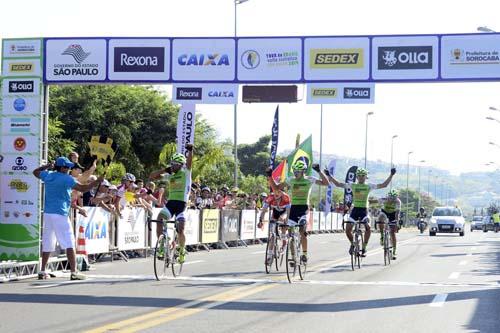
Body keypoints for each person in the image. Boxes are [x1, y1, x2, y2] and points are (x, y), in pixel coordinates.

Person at [33, 157, 103, 280]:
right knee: (70, 242)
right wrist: (97, 182)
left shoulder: (48, 175)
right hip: (60, 213)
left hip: (48, 213)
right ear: (62, 167)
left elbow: (35, 172)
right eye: (67, 167)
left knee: (48, 242)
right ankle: (74, 272)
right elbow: (83, 188)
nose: (69, 169)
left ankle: (42, 270)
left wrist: (47, 166)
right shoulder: (67, 178)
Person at [267, 161, 329, 264]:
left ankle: (304, 254)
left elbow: (326, 183)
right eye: (295, 171)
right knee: (291, 234)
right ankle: (294, 257)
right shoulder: (291, 180)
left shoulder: (309, 179)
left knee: (302, 231)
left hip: (304, 208)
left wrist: (319, 171)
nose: (296, 173)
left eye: (298, 171)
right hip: (293, 209)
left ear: (303, 171)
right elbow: (276, 188)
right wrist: (270, 176)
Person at [325, 167, 396, 257]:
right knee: (347, 230)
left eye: (363, 176)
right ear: (357, 177)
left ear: (366, 177)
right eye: (359, 176)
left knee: (368, 228)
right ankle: (353, 244)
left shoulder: (368, 186)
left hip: (364, 211)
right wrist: (329, 175)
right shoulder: (353, 185)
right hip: (355, 210)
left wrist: (391, 175)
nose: (361, 177)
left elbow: (384, 185)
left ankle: (364, 247)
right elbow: (339, 184)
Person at [149, 144, 193, 264]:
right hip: (170, 204)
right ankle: (162, 244)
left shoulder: (186, 173)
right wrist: (164, 170)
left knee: (180, 229)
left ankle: (182, 249)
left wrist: (190, 151)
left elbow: (189, 163)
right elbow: (152, 176)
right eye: (172, 163)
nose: (172, 165)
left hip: (182, 205)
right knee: (159, 219)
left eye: (175, 164)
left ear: (180, 165)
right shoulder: (170, 174)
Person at [258, 188, 291, 265]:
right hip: (275, 213)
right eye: (274, 191)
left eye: (278, 192)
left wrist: (286, 221)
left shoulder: (286, 197)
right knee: (272, 235)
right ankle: (269, 257)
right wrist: (260, 220)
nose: (276, 193)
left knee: (283, 224)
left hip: (284, 212)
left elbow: (289, 211)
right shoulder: (270, 197)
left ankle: (284, 242)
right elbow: (264, 210)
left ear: (281, 192)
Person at [376, 189, 401, 259]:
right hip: (385, 212)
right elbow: (377, 205)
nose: (391, 199)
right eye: (390, 197)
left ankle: (394, 251)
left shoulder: (398, 202)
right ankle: (382, 236)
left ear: (396, 197)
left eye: (393, 198)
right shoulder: (383, 199)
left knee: (392, 233)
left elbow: (397, 213)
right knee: (380, 218)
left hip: (393, 214)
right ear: (388, 196)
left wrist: (396, 222)